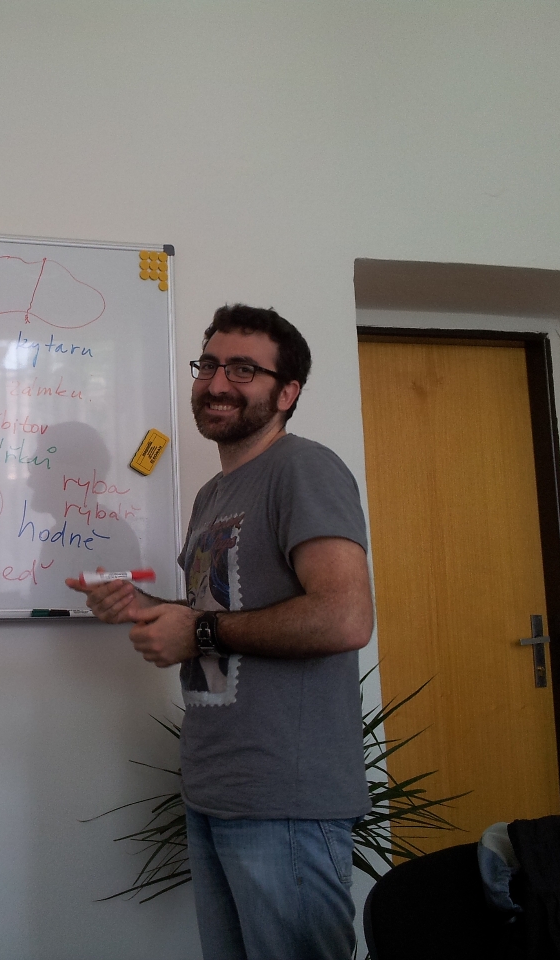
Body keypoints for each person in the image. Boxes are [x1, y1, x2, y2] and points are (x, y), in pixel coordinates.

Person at [67, 304, 373, 960]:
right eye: (208, 365)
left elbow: (344, 616)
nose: (216, 383)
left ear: (287, 393)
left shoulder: (304, 468)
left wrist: (198, 632)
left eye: (243, 369)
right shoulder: (214, 493)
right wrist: (146, 606)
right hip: (217, 787)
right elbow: (219, 609)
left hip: (284, 796)